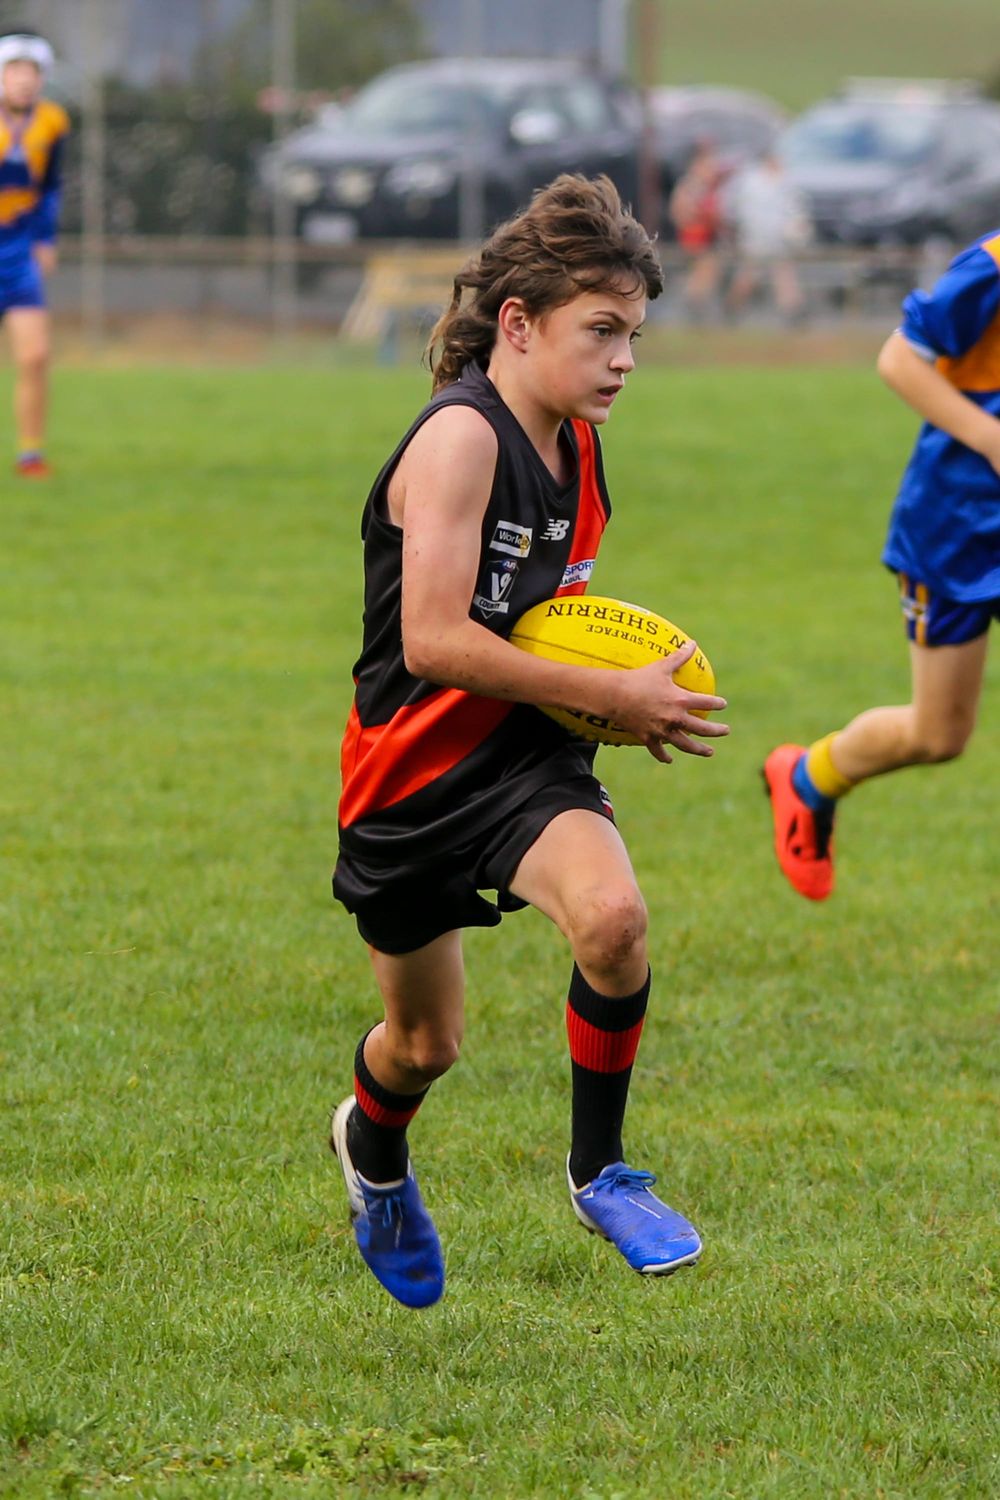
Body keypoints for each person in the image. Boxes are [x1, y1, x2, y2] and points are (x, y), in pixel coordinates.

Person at [330, 174, 729, 1309]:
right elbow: (436, 640)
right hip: (408, 776)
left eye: (635, 335)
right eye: (600, 331)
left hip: (522, 761)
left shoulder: (581, 446)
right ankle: (373, 1150)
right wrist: (612, 696)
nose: (624, 360)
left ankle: (599, 1171)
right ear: (518, 323)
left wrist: (610, 702)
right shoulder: (462, 439)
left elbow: (548, 626)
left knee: (613, 920)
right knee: (423, 1045)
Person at [764, 229, 1000, 900]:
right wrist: (990, 438)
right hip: (959, 526)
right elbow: (899, 358)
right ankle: (808, 778)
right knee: (939, 733)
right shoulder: (992, 266)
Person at [0, 33, 69, 478]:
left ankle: (30, 454)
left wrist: (45, 238)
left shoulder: (53, 122)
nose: (25, 82)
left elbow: (51, 187)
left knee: (35, 356)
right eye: (15, 72)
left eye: (33, 74)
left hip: (19, 250)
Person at [725, 151, 809, 324]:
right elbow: (742, 210)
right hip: (756, 239)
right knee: (750, 275)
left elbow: (794, 210)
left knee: (782, 273)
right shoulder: (752, 182)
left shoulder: (783, 181)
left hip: (776, 241)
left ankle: (793, 310)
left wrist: (794, 229)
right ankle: (732, 308)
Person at [668, 139, 725, 320]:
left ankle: (697, 302)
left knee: (709, 268)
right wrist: (696, 215)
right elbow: (679, 211)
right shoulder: (690, 186)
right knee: (705, 267)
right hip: (693, 237)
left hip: (705, 237)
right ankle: (693, 303)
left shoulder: (707, 187)